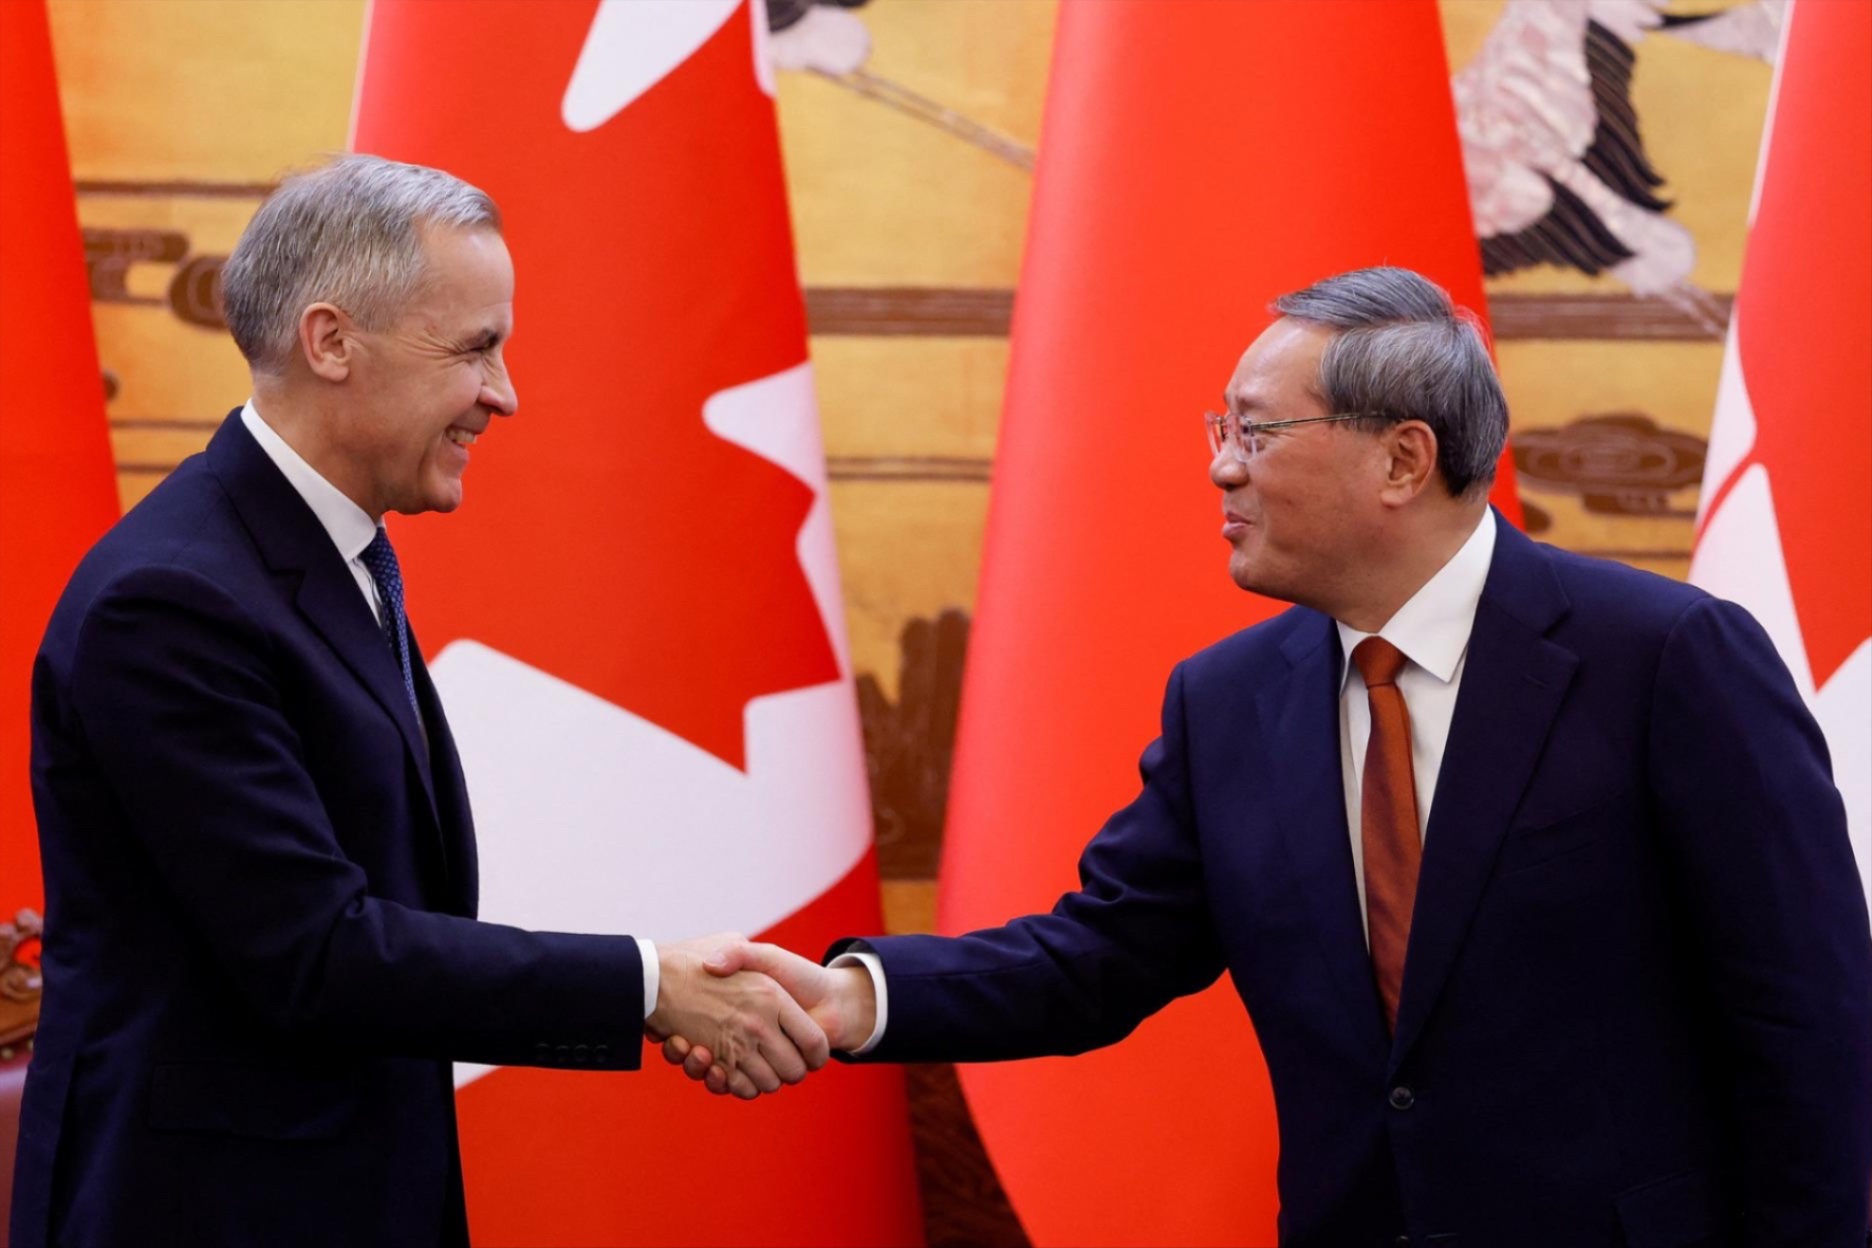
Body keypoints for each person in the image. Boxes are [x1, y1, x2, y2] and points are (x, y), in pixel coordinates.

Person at [670, 267, 1872, 1245]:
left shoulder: (1665, 659)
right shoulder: (1230, 699)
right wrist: (851, 997)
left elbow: (1806, 1021)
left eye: (1254, 432)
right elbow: (1097, 956)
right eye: (1220, 429)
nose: (1219, 467)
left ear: (1403, 459)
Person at [11, 155, 822, 1248]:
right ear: (332, 341)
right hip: (209, 1210)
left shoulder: (325, 552)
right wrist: (645, 984)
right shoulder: (171, 601)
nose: (505, 392)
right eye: (475, 347)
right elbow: (315, 953)